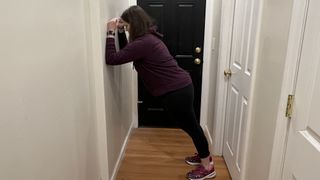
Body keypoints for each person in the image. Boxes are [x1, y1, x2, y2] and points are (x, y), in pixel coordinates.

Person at [105, 5, 216, 180]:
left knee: (192, 127)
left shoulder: (144, 42)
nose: (125, 29)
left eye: (126, 27)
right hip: (180, 87)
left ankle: (208, 166)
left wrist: (110, 33)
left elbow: (112, 59)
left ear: (134, 23)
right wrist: (120, 32)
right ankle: (203, 156)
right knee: (190, 125)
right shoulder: (147, 38)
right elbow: (128, 53)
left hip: (176, 91)